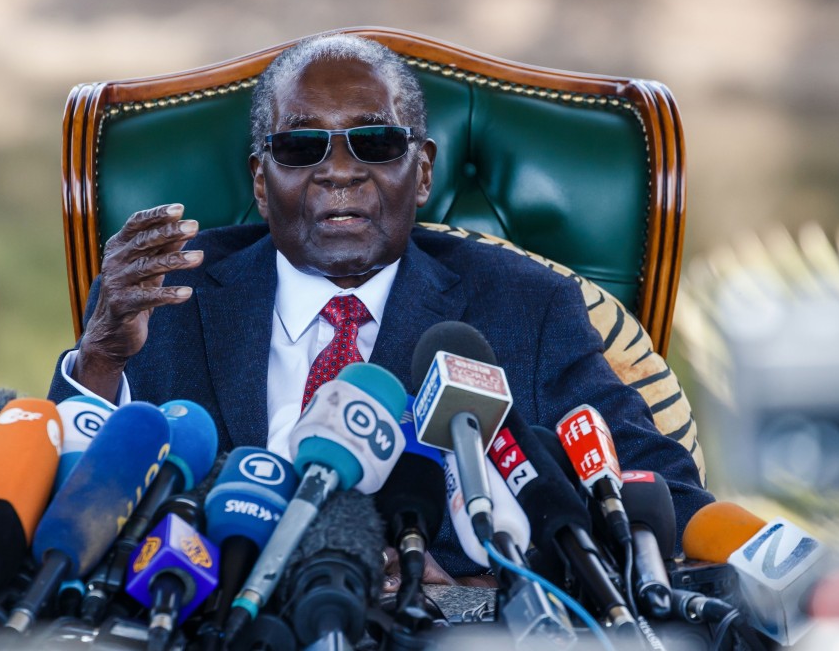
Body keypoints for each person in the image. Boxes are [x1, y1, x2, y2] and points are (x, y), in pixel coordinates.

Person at [48, 34, 714, 581]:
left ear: (422, 171)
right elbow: (55, 520)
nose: (340, 171)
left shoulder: (525, 308)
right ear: (260, 179)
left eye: (376, 142)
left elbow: (666, 512)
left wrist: (461, 603)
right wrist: (100, 361)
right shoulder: (167, 293)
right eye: (301, 147)